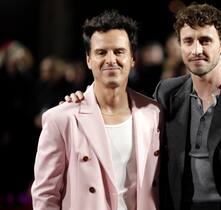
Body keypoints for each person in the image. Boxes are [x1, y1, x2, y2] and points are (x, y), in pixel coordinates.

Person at [65, 3, 221, 210]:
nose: (196, 50)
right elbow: (121, 113)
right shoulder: (166, 93)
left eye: (205, 40)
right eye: (188, 41)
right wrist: (84, 102)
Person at [31, 10, 162, 210]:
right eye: (101, 52)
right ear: (88, 59)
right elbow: (45, 195)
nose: (111, 60)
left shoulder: (154, 114)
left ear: (133, 58)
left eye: (119, 51)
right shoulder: (61, 119)